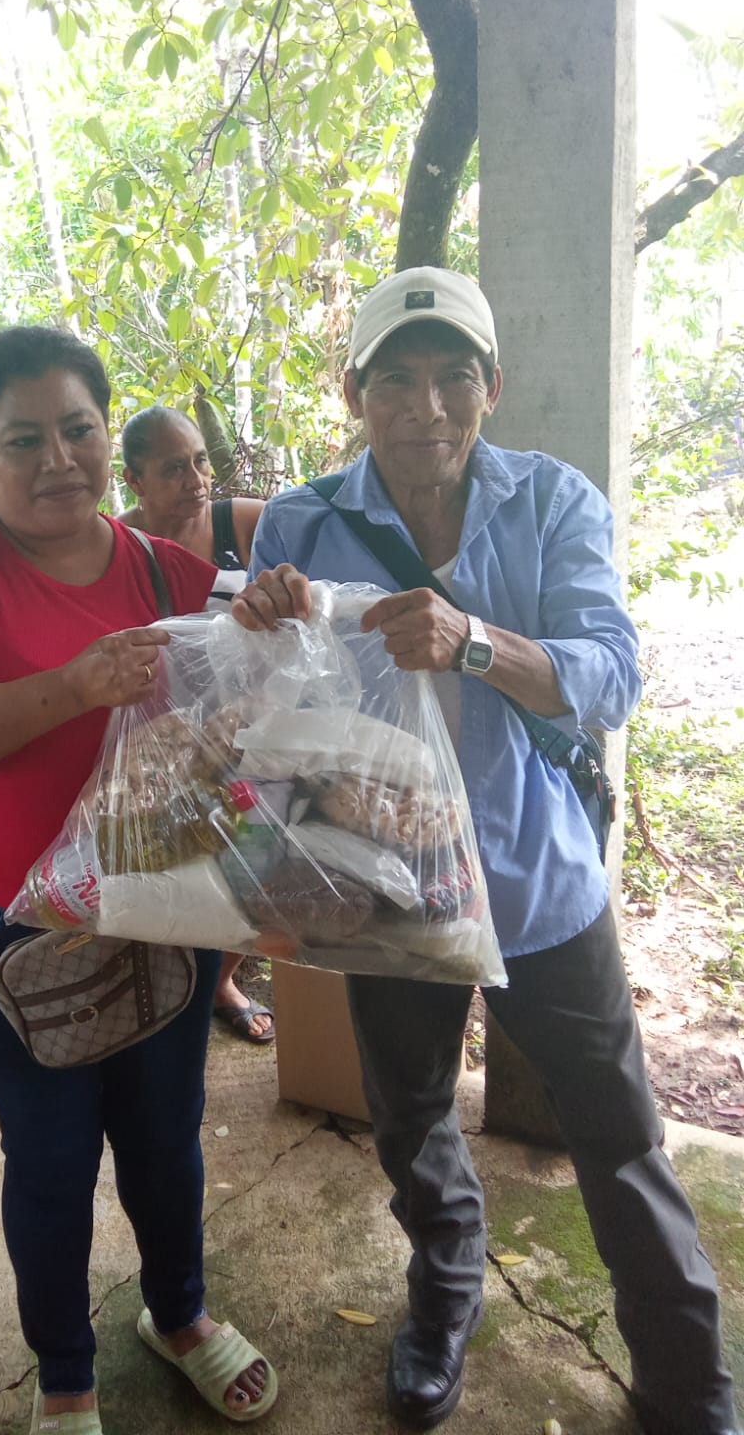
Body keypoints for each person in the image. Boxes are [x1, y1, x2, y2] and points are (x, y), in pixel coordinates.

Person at [233, 268, 740, 1435]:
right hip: (384, 887)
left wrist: (473, 643)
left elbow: (610, 674)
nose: (428, 407)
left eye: (453, 375)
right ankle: (445, 1298)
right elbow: (273, 717)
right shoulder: (308, 519)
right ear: (355, 394)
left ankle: (689, 1382)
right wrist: (261, 630)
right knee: (411, 1120)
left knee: (620, 1142)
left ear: (492, 386)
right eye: (397, 380)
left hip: (539, 882)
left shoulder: (552, 501)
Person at [0, 326, 278, 1435]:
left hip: (162, 914)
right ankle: (64, 1377)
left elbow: (222, 716)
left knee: (166, 1138)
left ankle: (178, 1316)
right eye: (24, 438)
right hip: (20, 933)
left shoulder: (162, 568)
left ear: (109, 431)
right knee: (49, 1163)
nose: (58, 459)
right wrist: (77, 683)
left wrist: (272, 632)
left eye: (80, 430)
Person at [119, 406, 273, 1045]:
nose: (196, 479)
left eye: (200, 461)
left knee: (263, 865)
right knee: (175, 867)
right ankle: (169, 981)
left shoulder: (245, 522)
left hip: (255, 729)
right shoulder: (117, 542)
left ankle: (220, 978)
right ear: (135, 482)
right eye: (173, 468)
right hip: (164, 738)